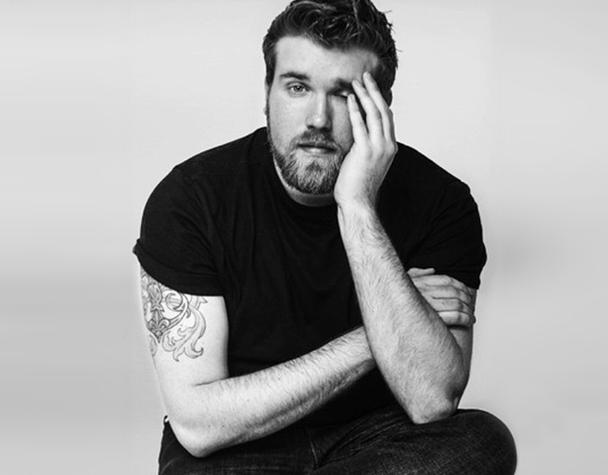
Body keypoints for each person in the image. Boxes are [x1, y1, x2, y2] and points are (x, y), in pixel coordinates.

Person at [134, 0, 517, 473]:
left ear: (381, 107)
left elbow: (431, 399)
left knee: (481, 442)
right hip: (241, 441)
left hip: (375, 440)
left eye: (343, 94)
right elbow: (198, 425)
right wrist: (375, 336)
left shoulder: (441, 203)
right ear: (267, 93)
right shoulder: (190, 200)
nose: (317, 119)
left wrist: (356, 206)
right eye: (297, 87)